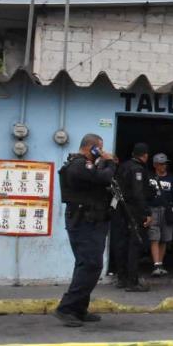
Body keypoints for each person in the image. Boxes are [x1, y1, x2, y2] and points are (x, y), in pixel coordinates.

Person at [54, 133, 117, 327]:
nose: (102, 151)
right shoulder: (78, 165)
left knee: (88, 264)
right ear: (93, 147)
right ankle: (66, 308)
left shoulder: (85, 166)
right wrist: (110, 162)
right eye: (100, 148)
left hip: (91, 221)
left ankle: (79, 309)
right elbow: (104, 178)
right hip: (83, 222)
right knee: (90, 264)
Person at [115, 143, 153, 292]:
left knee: (121, 244)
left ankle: (122, 278)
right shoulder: (137, 169)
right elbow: (138, 193)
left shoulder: (124, 166)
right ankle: (133, 282)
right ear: (145, 155)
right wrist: (146, 213)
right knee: (134, 245)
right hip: (133, 211)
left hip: (120, 209)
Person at [148, 153, 173, 277]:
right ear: (155, 165)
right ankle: (156, 264)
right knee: (154, 236)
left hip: (167, 210)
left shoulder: (172, 179)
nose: (164, 166)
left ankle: (160, 263)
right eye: (161, 164)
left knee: (165, 239)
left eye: (165, 164)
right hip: (153, 209)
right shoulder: (149, 177)